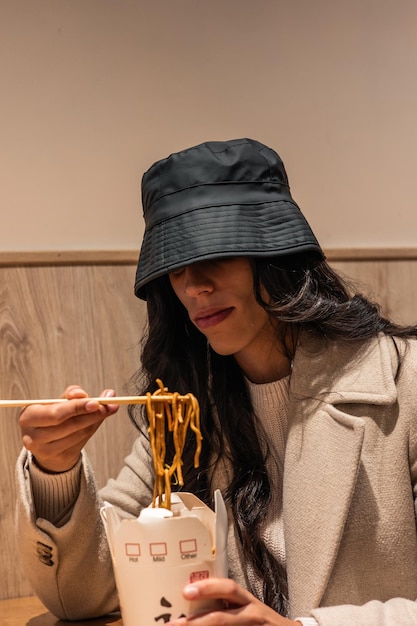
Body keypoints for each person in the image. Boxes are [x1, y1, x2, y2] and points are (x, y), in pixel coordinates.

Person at [15, 138, 417, 626]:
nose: (194, 285)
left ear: (275, 254)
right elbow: (88, 591)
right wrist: (56, 472)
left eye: (218, 254)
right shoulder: (188, 410)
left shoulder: (402, 384)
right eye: (175, 266)